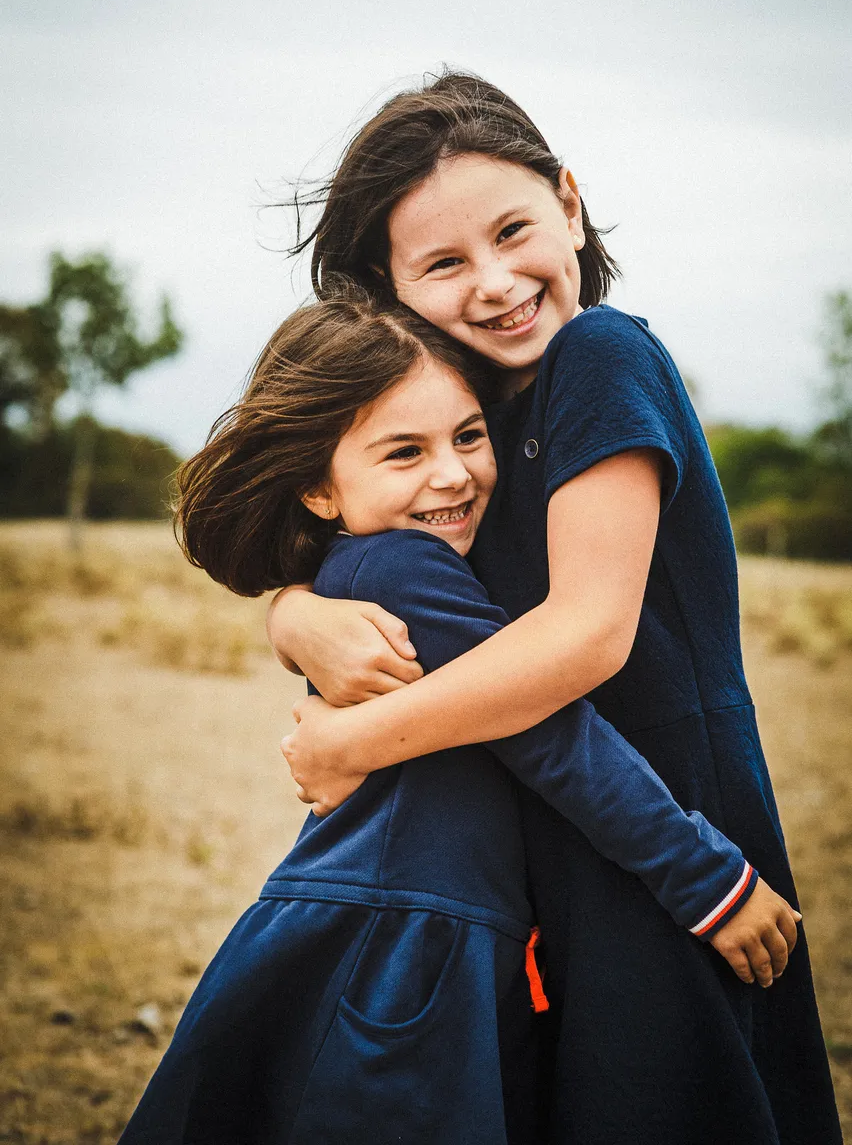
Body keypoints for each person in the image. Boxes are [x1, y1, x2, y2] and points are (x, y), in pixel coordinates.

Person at [270, 72, 842, 1144]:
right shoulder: (466, 419)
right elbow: (395, 573)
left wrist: (354, 735)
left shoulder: (600, 353)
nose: (494, 282)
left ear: (570, 207)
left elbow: (587, 633)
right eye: (443, 263)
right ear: (387, 290)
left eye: (514, 230)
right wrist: (293, 613)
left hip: (675, 811)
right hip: (563, 824)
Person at [119, 290, 795, 1145]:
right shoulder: (406, 566)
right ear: (321, 491)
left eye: (469, 436)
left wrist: (290, 612)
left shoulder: (377, 559)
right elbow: (548, 731)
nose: (453, 473)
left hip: (425, 925)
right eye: (405, 451)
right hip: (405, 942)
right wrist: (706, 878)